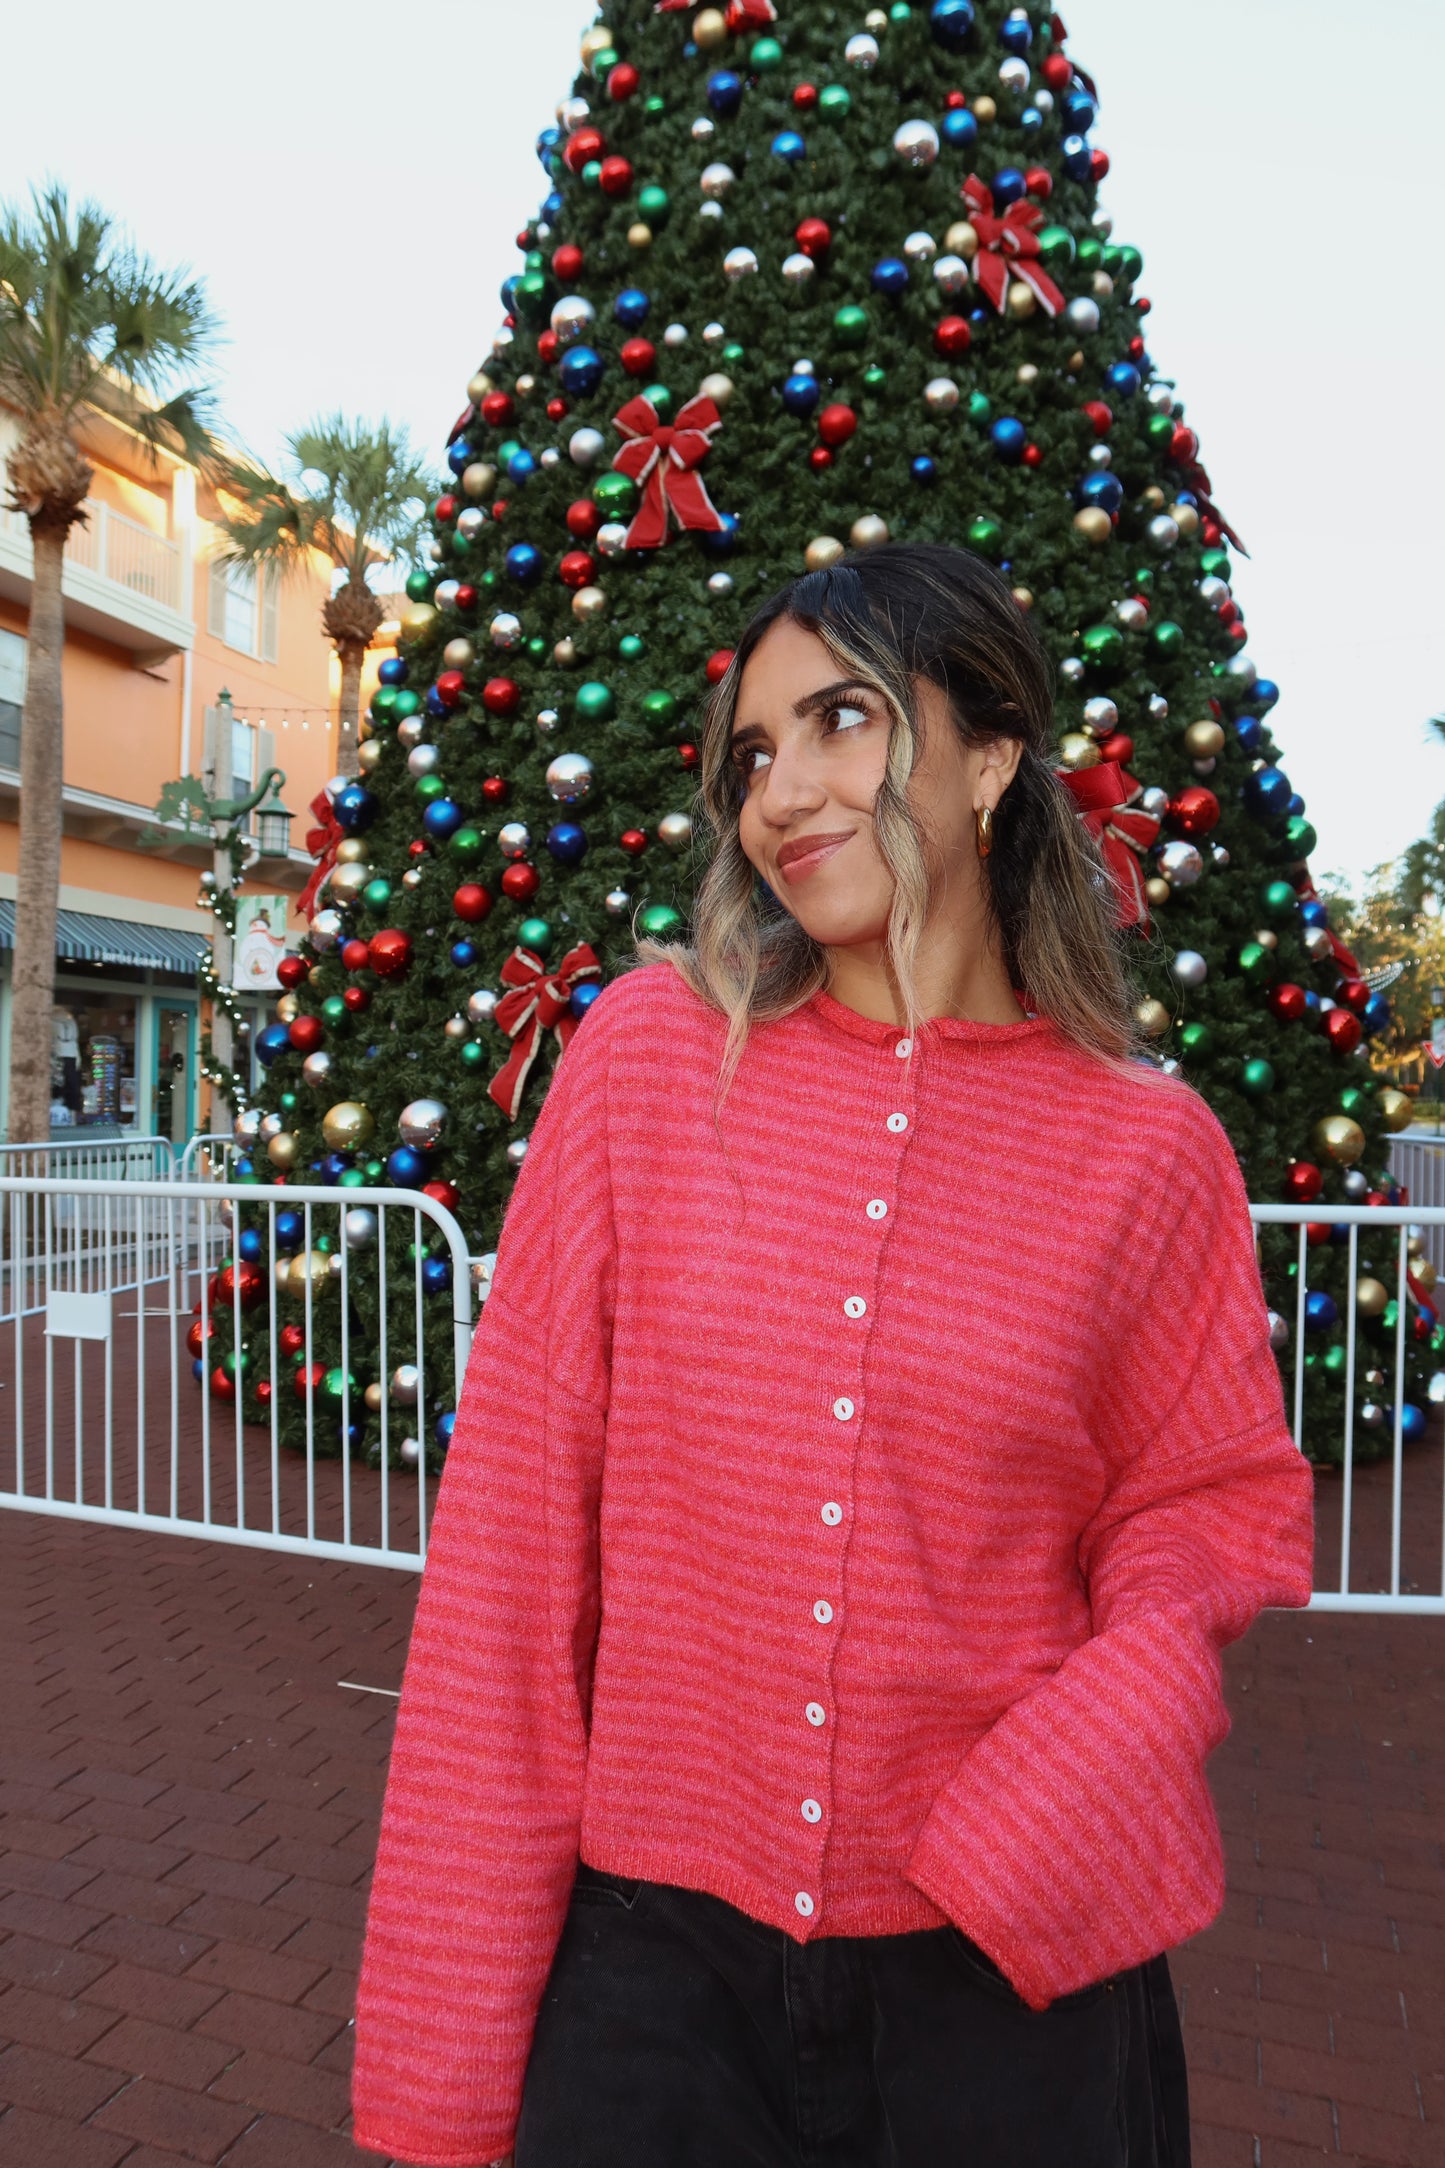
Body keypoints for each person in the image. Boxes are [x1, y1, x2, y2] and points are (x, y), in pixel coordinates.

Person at [351, 543, 1314, 2168]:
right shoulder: (649, 1064)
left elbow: (1207, 1504)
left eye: (841, 721)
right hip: (656, 1975)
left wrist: (1106, 1731)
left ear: (991, 756)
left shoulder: (1147, 1152)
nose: (779, 794)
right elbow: (509, 1566)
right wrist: (445, 2052)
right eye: (750, 754)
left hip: (1006, 1960)